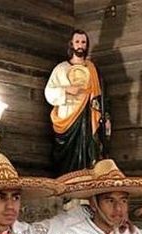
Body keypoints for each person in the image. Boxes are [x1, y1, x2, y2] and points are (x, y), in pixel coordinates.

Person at [44, 29, 110, 175]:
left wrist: (106, 116)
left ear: (87, 46)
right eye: (77, 42)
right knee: (68, 157)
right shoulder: (61, 69)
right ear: (71, 44)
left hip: (89, 117)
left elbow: (101, 95)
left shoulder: (92, 69)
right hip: (68, 119)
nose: (80, 45)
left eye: (83, 42)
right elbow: (49, 93)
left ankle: (87, 183)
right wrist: (66, 89)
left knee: (89, 152)